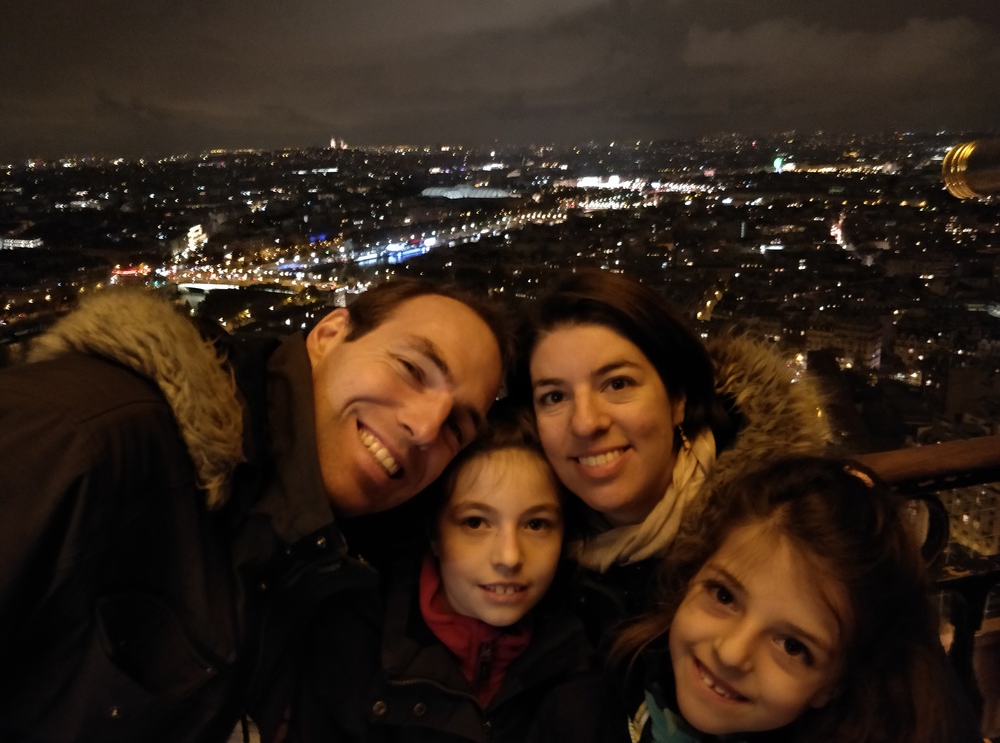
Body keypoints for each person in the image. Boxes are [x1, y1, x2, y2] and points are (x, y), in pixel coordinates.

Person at [0, 279, 509, 743]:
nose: (425, 428)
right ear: (330, 333)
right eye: (412, 369)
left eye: (457, 429)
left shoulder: (327, 562)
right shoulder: (85, 438)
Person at [513, 269, 830, 638]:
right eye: (554, 396)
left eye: (617, 384)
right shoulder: (526, 554)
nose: (585, 423)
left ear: (677, 399)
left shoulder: (781, 537)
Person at [285, 402, 627, 743]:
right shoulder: (351, 645)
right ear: (434, 534)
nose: (509, 557)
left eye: (536, 524)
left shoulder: (585, 665)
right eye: (475, 522)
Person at [613, 456, 982, 743]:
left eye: (792, 646)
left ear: (832, 685)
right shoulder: (622, 673)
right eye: (724, 596)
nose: (731, 653)